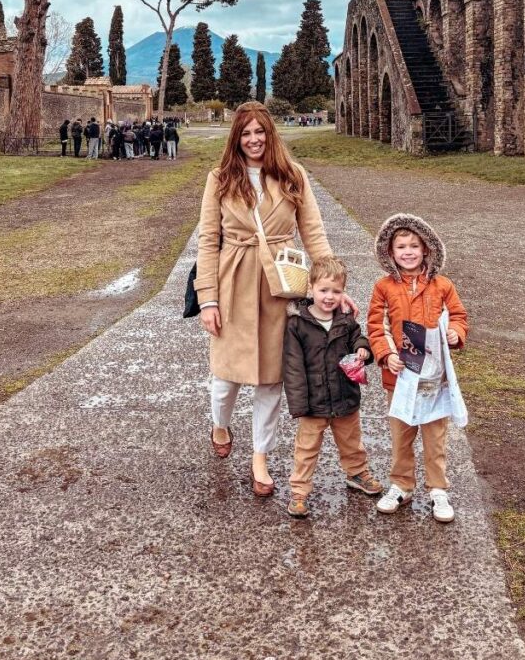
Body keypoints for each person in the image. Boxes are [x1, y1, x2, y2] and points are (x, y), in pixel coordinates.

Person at [195, 101, 356, 496]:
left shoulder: (293, 176)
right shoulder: (219, 179)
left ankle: (260, 458)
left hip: (281, 285)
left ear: (271, 134)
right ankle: (220, 423)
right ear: (237, 138)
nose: (254, 140)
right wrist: (208, 300)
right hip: (233, 281)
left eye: (260, 132)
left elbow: (314, 234)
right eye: (246, 133)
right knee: (225, 381)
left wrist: (334, 287)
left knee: (271, 380)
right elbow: (207, 241)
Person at [367, 214, 469, 523]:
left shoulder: (443, 286)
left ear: (426, 250)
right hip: (398, 378)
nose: (408, 251)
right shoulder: (383, 287)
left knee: (434, 437)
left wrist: (456, 334)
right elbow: (376, 325)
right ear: (390, 252)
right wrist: (386, 355)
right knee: (402, 434)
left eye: (414, 245)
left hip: (433, 379)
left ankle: (438, 489)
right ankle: (401, 485)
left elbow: (458, 316)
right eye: (401, 246)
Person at [283, 255, 382, 518]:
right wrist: (299, 405)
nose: (329, 297)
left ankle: (357, 473)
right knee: (306, 449)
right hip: (313, 403)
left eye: (336, 291)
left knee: (351, 442)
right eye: (323, 290)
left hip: (344, 396)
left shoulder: (346, 321)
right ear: (311, 288)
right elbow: (293, 367)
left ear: (343, 293)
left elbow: (358, 339)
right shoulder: (297, 324)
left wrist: (362, 349)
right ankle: (300, 490)